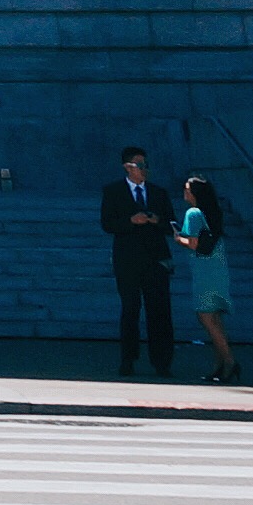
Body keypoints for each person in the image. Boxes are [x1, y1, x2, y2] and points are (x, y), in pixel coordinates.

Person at [101, 145, 175, 378]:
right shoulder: (113, 191)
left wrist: (156, 220)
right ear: (127, 167)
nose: (144, 170)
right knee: (130, 309)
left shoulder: (158, 193)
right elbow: (107, 223)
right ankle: (128, 359)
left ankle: (162, 361)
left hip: (155, 259)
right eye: (139, 165)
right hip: (128, 260)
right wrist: (131, 221)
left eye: (145, 165)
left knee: (159, 311)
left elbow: (172, 224)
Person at [179, 175, 240, 384]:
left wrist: (178, 237)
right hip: (218, 268)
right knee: (215, 318)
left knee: (206, 317)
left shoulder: (193, 213)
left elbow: (193, 243)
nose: (184, 192)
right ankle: (220, 364)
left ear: (195, 193)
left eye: (187, 189)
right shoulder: (212, 211)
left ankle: (229, 362)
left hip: (204, 270)